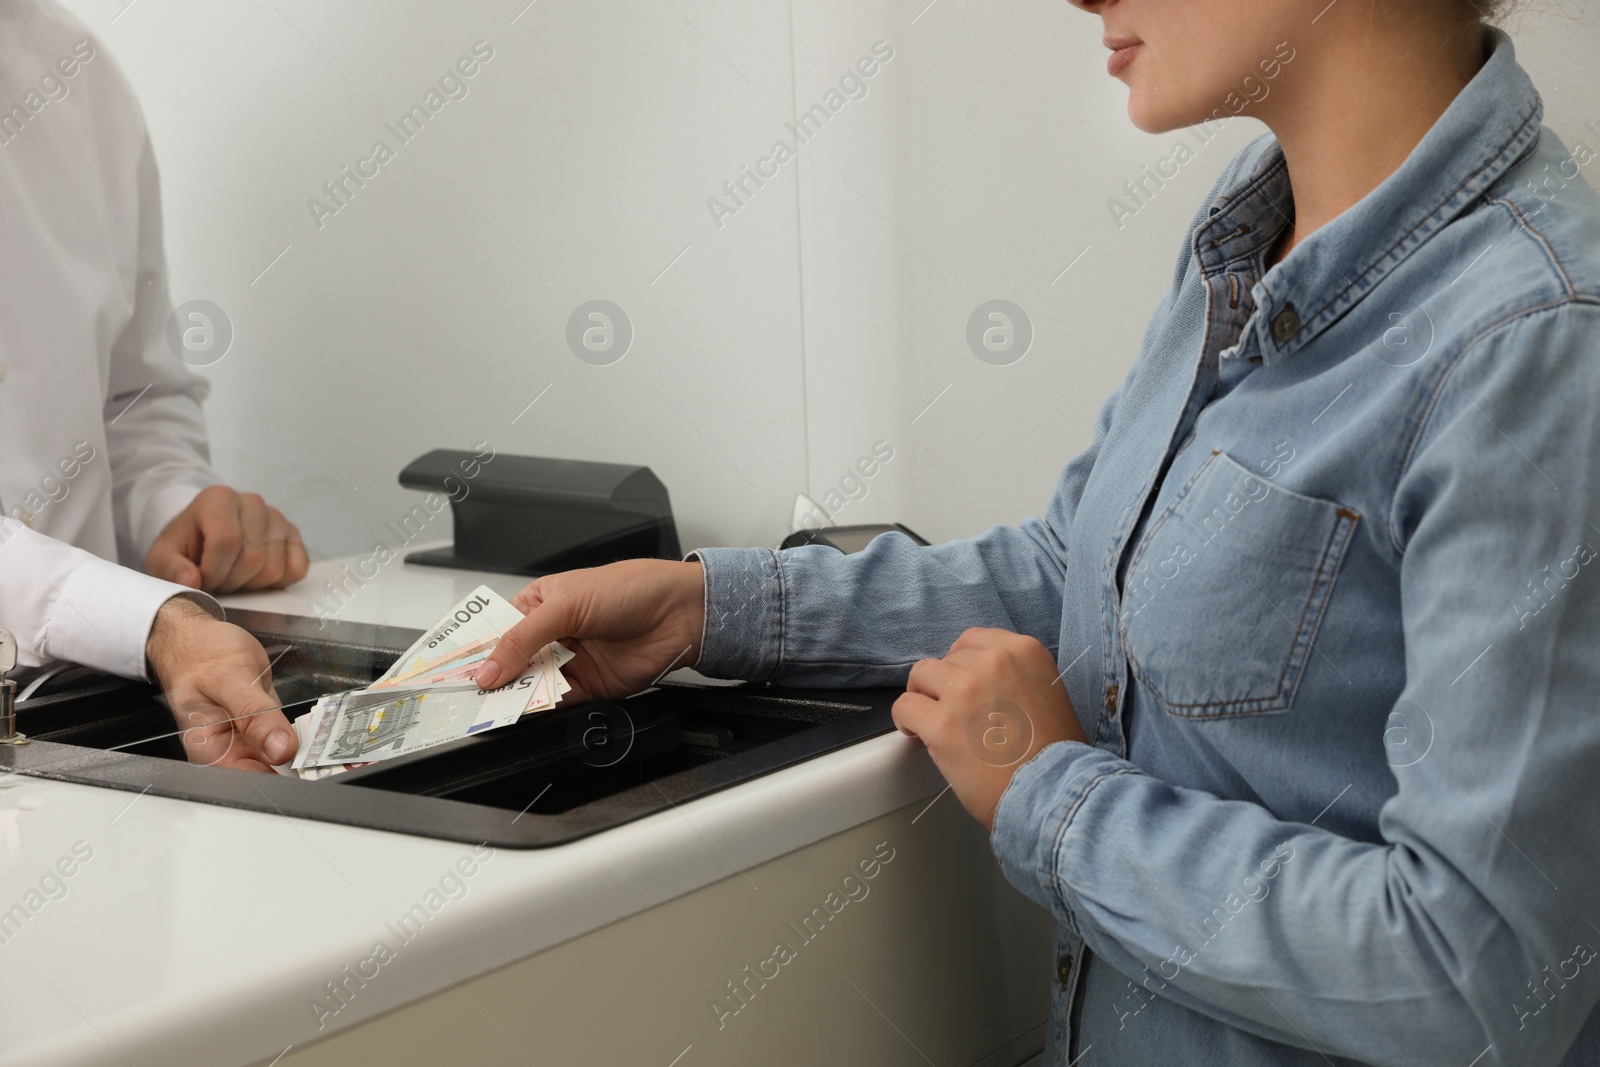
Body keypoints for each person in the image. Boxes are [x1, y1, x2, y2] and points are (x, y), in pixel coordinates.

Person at [479, 0, 1600, 1062]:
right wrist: (708, 608)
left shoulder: (1536, 347)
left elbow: (1473, 979)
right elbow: (1087, 574)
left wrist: (1051, 796)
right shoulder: (1247, 235)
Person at [0, 1, 305, 773]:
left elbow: (133, 402)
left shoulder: (75, 69)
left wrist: (181, 511)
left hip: (83, 722)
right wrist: (154, 620)